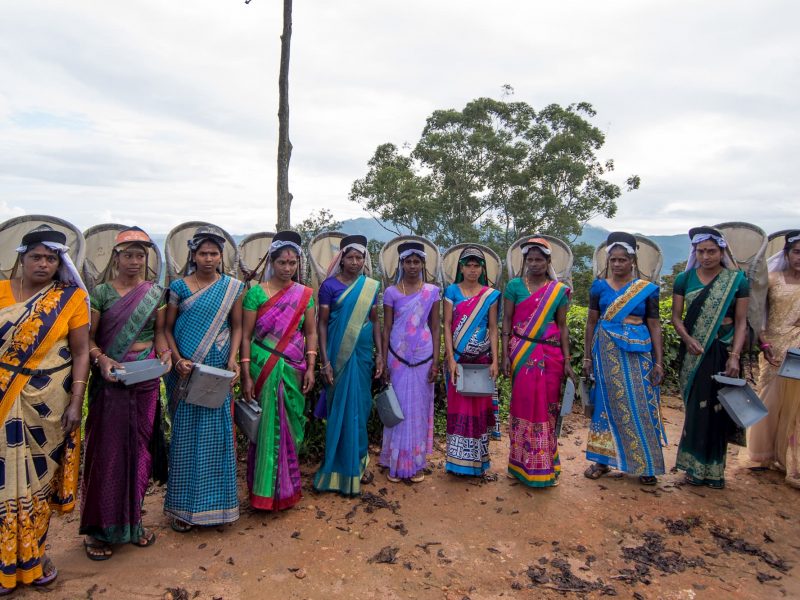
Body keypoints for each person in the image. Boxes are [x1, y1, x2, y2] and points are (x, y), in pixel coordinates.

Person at [0, 225, 89, 594]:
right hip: (4, 398)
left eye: (51, 258)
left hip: (50, 404)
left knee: (39, 480)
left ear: (60, 263)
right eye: (36, 256)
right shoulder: (2, 292)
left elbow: (82, 351)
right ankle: (5, 562)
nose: (43, 263)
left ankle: (35, 555)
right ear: (21, 258)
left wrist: (76, 402)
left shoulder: (70, 299)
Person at [81, 227, 169, 560]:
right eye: (128, 255)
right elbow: (88, 340)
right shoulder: (101, 294)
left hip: (144, 379)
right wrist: (101, 359)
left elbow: (160, 334)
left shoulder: (155, 293)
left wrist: (165, 355)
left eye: (140, 255)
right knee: (107, 453)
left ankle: (132, 522)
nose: (134, 261)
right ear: (116, 257)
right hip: (111, 381)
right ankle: (100, 530)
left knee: (139, 452)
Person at [163, 226, 244, 531]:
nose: (209, 258)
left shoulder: (232, 287)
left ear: (221, 256)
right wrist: (178, 358)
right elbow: (167, 329)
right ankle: (183, 510)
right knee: (185, 437)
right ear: (193, 255)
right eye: (203, 253)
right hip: (186, 372)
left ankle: (219, 507)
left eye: (214, 253)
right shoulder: (180, 288)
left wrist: (233, 357)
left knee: (218, 436)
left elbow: (237, 327)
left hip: (216, 370)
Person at [241, 231, 317, 510]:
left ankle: (287, 491)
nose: (287, 268)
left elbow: (310, 333)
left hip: (295, 367)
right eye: (282, 262)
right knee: (265, 429)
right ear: (271, 262)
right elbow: (246, 336)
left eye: (293, 263)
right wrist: (246, 373)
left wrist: (310, 366)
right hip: (264, 367)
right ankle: (263, 493)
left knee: (292, 426)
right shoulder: (255, 295)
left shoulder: (304, 295)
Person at [583, 232, 667, 485]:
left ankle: (645, 463)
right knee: (606, 404)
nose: (618, 264)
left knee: (641, 404)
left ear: (632, 261)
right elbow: (591, 322)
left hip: (638, 353)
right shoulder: (599, 287)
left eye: (623, 260)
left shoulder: (646, 290)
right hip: (606, 352)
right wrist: (587, 357)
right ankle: (602, 460)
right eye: (614, 260)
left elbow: (654, 325)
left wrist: (659, 361)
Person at [672, 226, 749, 489]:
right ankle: (692, 467)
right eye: (701, 251)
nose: (706, 257)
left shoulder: (737, 281)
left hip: (722, 351)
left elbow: (741, 323)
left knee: (718, 411)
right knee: (697, 410)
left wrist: (735, 356)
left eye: (711, 251)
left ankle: (715, 471)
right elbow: (676, 317)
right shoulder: (684, 280)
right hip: (695, 353)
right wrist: (688, 339)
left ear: (722, 251)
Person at [313, 235, 383, 495]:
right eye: (350, 257)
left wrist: (379, 354)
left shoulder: (370, 286)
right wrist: (325, 361)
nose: (355, 262)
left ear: (365, 260)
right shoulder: (329, 287)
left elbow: (375, 321)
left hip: (363, 355)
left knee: (360, 408)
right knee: (340, 410)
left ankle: (359, 463)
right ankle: (336, 467)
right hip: (338, 355)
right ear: (341, 259)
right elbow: (322, 324)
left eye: (360, 257)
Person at [502, 238, 574, 487]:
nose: (534, 264)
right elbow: (507, 324)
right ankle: (518, 463)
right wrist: (504, 356)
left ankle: (546, 465)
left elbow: (563, 326)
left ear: (547, 261)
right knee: (521, 406)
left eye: (539, 259)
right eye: (530, 259)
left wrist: (567, 360)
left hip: (550, 356)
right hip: (521, 353)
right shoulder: (513, 287)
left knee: (547, 410)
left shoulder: (558, 291)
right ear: (525, 261)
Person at [380, 241, 441, 483]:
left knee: (419, 407)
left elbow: (436, 327)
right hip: (396, 356)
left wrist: (436, 360)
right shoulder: (391, 292)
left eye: (417, 261)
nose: (412, 266)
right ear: (401, 264)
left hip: (424, 356)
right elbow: (386, 329)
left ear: (423, 264)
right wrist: (383, 360)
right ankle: (395, 461)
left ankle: (416, 463)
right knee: (398, 406)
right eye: (408, 261)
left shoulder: (432, 292)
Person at [442, 247, 500, 476]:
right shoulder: (451, 291)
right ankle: (456, 463)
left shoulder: (490, 295)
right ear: (461, 268)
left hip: (482, 362)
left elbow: (494, 327)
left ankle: (478, 463)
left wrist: (496, 361)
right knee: (458, 410)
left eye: (477, 265)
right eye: (468, 265)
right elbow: (446, 324)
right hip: (458, 361)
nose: (472, 270)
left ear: (482, 269)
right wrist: (450, 358)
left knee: (478, 411)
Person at [748, 230, 800, 486]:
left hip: (799, 349)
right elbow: (757, 313)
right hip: (774, 347)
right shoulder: (772, 279)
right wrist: (764, 342)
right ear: (788, 254)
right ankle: (763, 455)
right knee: (769, 398)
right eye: (797, 252)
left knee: (797, 406)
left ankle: (793, 462)